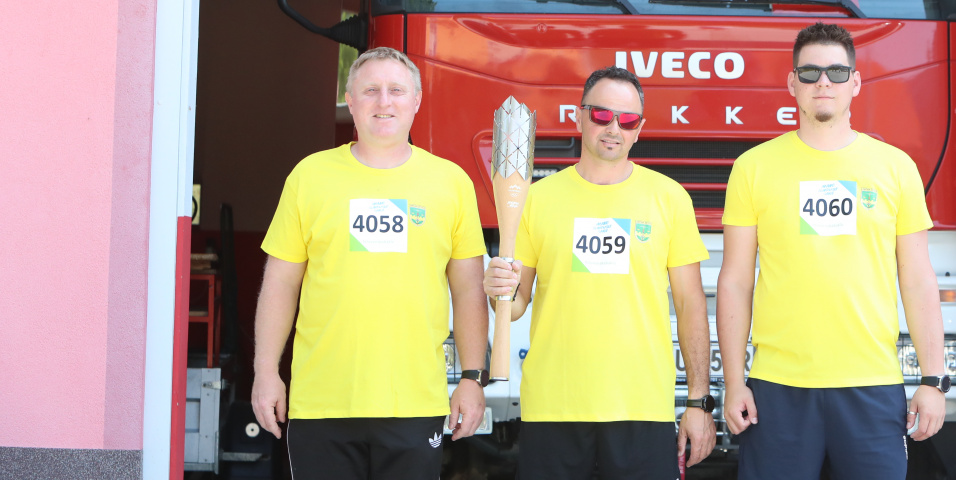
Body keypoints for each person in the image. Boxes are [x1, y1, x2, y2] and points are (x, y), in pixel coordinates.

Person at [717, 22, 948, 480]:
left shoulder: (896, 168)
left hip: (871, 385)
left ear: (855, 83)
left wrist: (933, 379)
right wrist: (735, 381)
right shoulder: (752, 168)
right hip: (777, 388)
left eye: (837, 72)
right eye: (810, 72)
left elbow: (918, 278)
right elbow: (736, 281)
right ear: (792, 83)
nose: (823, 82)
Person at [251, 47, 490, 480]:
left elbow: (468, 288)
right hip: (322, 402)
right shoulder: (309, 176)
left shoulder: (451, 182)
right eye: (370, 90)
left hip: (414, 402)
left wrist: (472, 378)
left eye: (396, 90)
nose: (384, 101)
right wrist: (265, 371)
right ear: (350, 100)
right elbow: (281, 282)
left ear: (416, 100)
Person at [484, 67, 715, 479]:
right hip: (554, 406)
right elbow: (516, 304)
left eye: (627, 120)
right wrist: (498, 289)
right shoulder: (537, 199)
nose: (613, 128)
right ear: (579, 116)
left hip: (641, 406)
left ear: (639, 129)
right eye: (602, 115)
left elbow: (691, 304)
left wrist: (698, 402)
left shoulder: (669, 198)